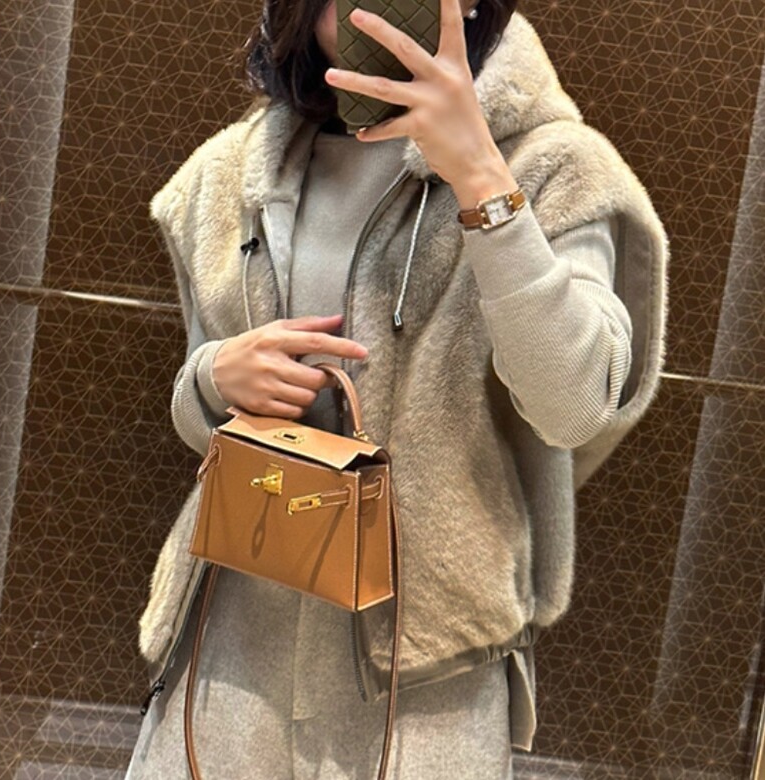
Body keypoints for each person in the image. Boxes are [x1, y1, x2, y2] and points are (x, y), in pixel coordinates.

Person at [124, 0, 669, 776]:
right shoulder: (231, 175)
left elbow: (575, 403)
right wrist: (214, 378)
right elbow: (198, 408)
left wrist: (481, 178)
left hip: (423, 669)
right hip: (232, 643)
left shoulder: (554, 168)